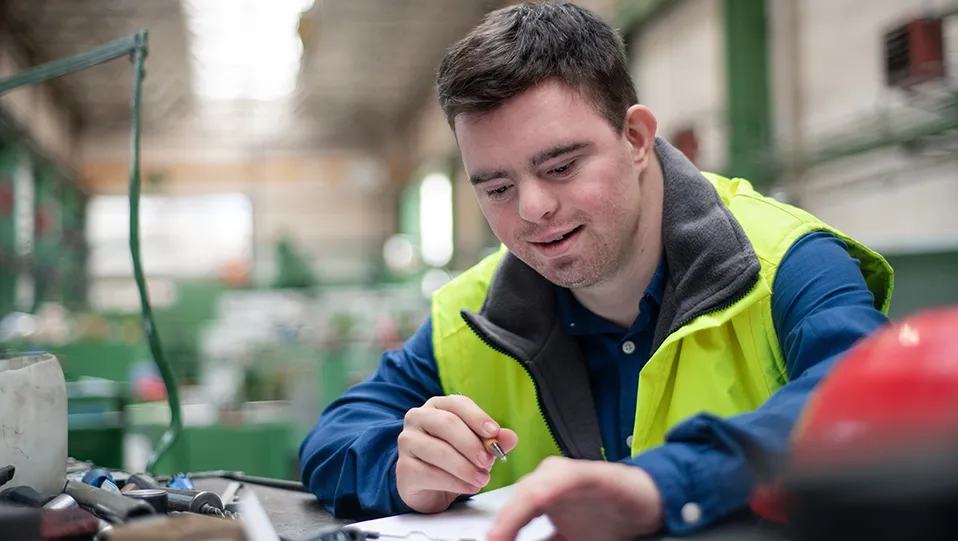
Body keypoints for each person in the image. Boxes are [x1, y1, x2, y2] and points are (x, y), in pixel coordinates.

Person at [299, 2, 893, 539]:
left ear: (635, 137)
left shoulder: (788, 264)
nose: (532, 209)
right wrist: (400, 467)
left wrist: (665, 484)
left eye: (560, 166)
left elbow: (870, 410)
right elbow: (333, 437)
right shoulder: (474, 314)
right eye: (498, 187)